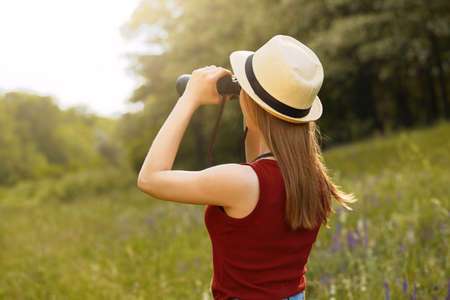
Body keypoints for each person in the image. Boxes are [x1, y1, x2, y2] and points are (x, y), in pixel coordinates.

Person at [137, 35, 357, 300]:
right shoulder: (314, 179)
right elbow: (260, 158)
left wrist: (190, 98)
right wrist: (251, 103)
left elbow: (150, 178)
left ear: (250, 103)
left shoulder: (240, 183)